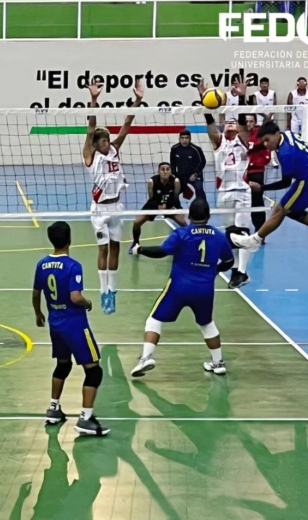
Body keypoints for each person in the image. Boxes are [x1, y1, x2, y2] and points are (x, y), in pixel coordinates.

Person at [130, 198, 235, 376]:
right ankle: (218, 363)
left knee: (154, 320)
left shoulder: (182, 234)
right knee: (207, 324)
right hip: (205, 289)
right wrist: (214, 271)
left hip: (179, 287)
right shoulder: (218, 236)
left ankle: (146, 358)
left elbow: (163, 251)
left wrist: (140, 249)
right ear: (208, 216)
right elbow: (229, 261)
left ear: (189, 215)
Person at [33, 222, 109, 437]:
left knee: (63, 365)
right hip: (75, 325)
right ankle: (86, 418)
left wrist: (38, 313)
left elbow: (36, 292)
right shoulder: (73, 266)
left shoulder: (42, 264)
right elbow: (75, 297)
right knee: (94, 371)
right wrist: (87, 303)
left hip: (55, 325)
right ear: (70, 240)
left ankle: (54, 408)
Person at [82, 79, 145, 315]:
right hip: (99, 209)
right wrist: (94, 100)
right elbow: (90, 128)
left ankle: (113, 292)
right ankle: (102, 291)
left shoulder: (115, 149)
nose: (108, 142)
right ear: (97, 144)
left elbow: (127, 124)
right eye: (104, 140)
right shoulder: (91, 155)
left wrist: (138, 100)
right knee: (103, 250)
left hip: (117, 206)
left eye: (109, 139)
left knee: (116, 248)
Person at [231, 121, 308, 252]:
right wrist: (250, 153)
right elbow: (265, 144)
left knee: (283, 211)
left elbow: (285, 183)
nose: (266, 144)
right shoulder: (286, 135)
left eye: (267, 140)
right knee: (284, 209)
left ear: (276, 134)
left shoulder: (286, 154)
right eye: (263, 141)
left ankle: (254, 241)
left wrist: (261, 188)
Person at [200, 80, 254, 289]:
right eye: (228, 122)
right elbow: (210, 124)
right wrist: (206, 101)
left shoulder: (243, 140)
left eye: (234, 122)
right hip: (224, 192)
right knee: (231, 234)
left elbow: (242, 121)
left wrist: (241, 97)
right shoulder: (218, 141)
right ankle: (235, 270)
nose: (232, 123)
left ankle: (242, 272)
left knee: (242, 231)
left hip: (242, 191)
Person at [130, 162, 186, 253]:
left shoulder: (175, 181)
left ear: (171, 172)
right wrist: (158, 206)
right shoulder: (152, 181)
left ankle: (186, 243)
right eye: (162, 169)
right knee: (137, 223)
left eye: (167, 169)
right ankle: (135, 242)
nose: (165, 172)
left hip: (168, 206)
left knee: (183, 223)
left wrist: (171, 207)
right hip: (154, 206)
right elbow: (151, 199)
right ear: (158, 171)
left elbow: (175, 198)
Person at [245, 116, 273, 234]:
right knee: (240, 202)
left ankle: (260, 232)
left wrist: (252, 164)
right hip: (240, 174)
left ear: (255, 123)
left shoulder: (260, 135)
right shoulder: (238, 135)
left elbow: (266, 156)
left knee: (257, 202)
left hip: (256, 173)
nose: (248, 124)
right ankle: (240, 230)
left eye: (251, 121)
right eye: (246, 121)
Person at [169, 129, 207, 201]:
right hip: (181, 176)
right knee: (173, 191)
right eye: (182, 138)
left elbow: (202, 162)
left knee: (199, 190)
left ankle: (203, 207)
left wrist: (195, 174)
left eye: (186, 138)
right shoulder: (174, 149)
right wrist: (174, 175)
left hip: (194, 175)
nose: (184, 140)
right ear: (179, 139)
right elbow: (172, 163)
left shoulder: (196, 149)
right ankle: (174, 207)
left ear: (190, 139)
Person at [253, 77, 279, 167]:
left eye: (266, 83)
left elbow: (275, 106)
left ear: (268, 84)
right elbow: (255, 107)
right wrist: (265, 116)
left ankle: (272, 160)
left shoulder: (273, 93)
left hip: (270, 119)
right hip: (260, 120)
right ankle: (260, 159)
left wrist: (269, 116)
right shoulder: (256, 94)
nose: (264, 85)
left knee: (271, 139)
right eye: (262, 83)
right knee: (260, 140)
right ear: (260, 85)